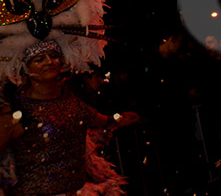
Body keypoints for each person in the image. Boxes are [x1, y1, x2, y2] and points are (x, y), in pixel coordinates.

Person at [0, 40, 139, 196]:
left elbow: (100, 120)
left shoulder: (71, 100)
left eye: (53, 56)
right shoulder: (15, 112)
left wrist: (119, 119)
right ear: (26, 69)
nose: (49, 62)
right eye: (39, 59)